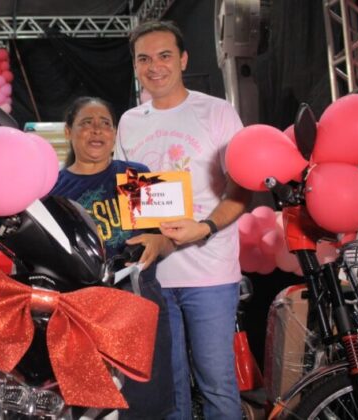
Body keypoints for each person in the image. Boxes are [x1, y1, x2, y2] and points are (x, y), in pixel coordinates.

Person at [114, 21, 250, 419]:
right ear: (135, 66)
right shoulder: (129, 121)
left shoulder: (217, 112)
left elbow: (242, 189)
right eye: (144, 59)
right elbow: (127, 197)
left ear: (184, 59)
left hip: (209, 273)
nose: (154, 66)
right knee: (169, 393)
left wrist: (204, 228)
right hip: (153, 277)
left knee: (217, 385)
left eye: (164, 56)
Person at [50, 96, 176, 419]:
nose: (97, 130)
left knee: (146, 408)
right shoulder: (52, 189)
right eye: (86, 123)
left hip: (140, 306)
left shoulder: (136, 175)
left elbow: (171, 241)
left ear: (114, 133)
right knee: (92, 406)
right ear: (68, 132)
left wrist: (160, 240)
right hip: (82, 315)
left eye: (105, 123)